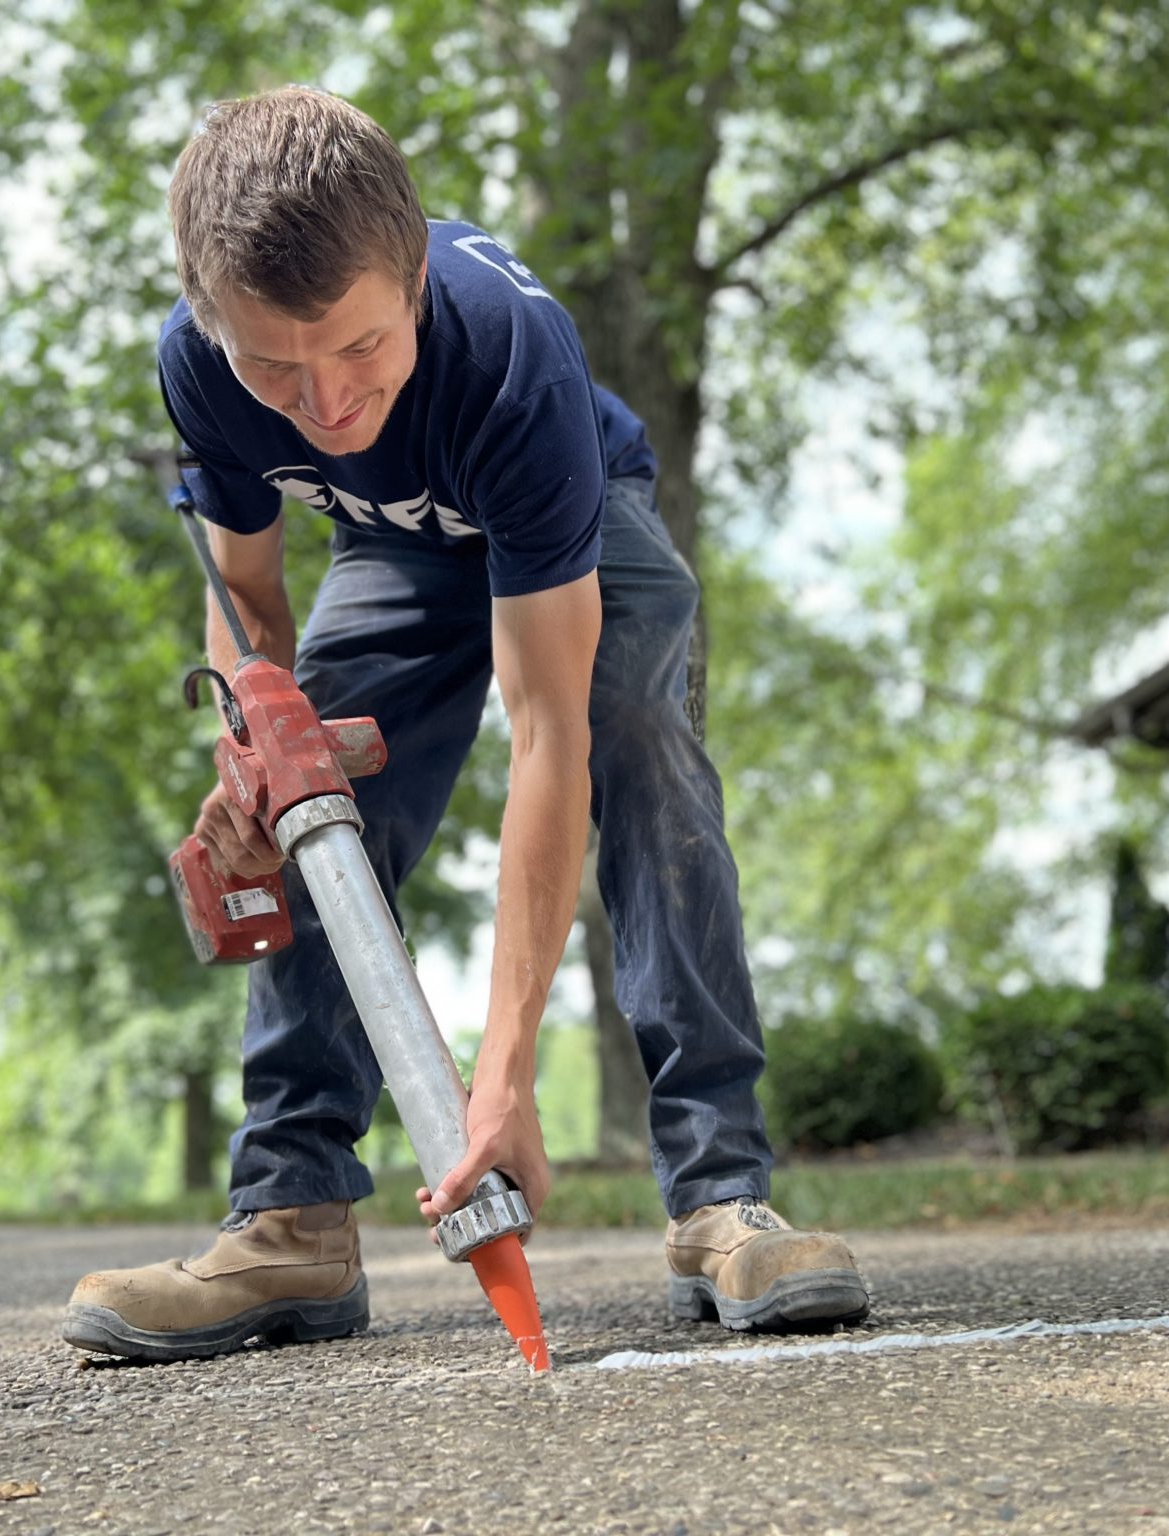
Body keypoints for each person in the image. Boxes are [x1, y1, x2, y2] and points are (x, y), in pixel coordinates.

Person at [62, 86, 867, 1362]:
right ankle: (292, 1219)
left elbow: (544, 738)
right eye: (276, 365)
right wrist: (251, 746)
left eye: (361, 348)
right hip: (389, 548)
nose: (325, 405)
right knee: (310, 787)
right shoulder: (199, 368)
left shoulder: (508, 353)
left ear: (417, 276)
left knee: (642, 746)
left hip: (567, 510)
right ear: (213, 325)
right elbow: (249, 602)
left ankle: (721, 1196)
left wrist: (503, 1076)